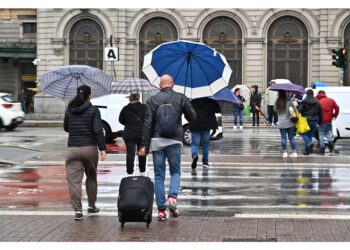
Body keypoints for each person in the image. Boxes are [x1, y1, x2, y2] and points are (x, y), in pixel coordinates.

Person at [139, 74, 196, 221]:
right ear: (172, 84)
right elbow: (193, 118)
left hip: (157, 141)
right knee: (175, 172)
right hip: (174, 141)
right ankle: (172, 197)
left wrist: (144, 146)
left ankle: (161, 211)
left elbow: (147, 124)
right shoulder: (180, 97)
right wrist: (187, 104)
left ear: (160, 85)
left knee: (159, 176)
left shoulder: (152, 100)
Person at [63, 85, 107, 220]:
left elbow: (66, 128)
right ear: (89, 96)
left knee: (74, 182)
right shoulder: (94, 110)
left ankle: (77, 211)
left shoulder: (69, 109)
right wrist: (102, 148)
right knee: (91, 177)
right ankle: (92, 206)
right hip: (90, 148)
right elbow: (97, 130)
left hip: (73, 149)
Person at [119, 93, 147, 175]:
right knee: (142, 152)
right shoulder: (144, 107)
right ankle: (142, 171)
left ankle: (130, 172)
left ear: (130, 98)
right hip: (141, 133)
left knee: (130, 153)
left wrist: (128, 124)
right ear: (138, 98)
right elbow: (148, 119)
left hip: (129, 133)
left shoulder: (125, 108)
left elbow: (120, 120)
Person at [190, 97, 221, 169]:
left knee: (194, 144)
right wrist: (215, 101)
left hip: (195, 125)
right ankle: (205, 163)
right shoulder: (210, 100)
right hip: (206, 126)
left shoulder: (192, 101)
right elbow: (218, 110)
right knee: (205, 145)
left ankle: (194, 155)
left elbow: (187, 112)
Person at [297, 89, 323, 155]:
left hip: (306, 120)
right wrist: (320, 122)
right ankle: (306, 151)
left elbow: (299, 110)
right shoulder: (317, 102)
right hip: (314, 121)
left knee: (304, 134)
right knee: (310, 136)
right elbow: (320, 113)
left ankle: (308, 144)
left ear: (307, 94)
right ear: (313, 94)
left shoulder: (304, 101)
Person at [274, 90, 297, 158]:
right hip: (290, 123)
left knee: (283, 138)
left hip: (281, 123)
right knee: (291, 138)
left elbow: (275, 111)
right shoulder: (289, 102)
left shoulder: (277, 103)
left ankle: (284, 152)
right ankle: (294, 152)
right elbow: (295, 110)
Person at [316, 90, 339, 154]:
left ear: (318, 94)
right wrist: (334, 115)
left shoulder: (318, 101)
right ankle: (331, 144)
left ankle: (322, 147)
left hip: (321, 120)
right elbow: (337, 108)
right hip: (329, 120)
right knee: (327, 133)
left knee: (321, 134)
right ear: (325, 94)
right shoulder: (331, 100)